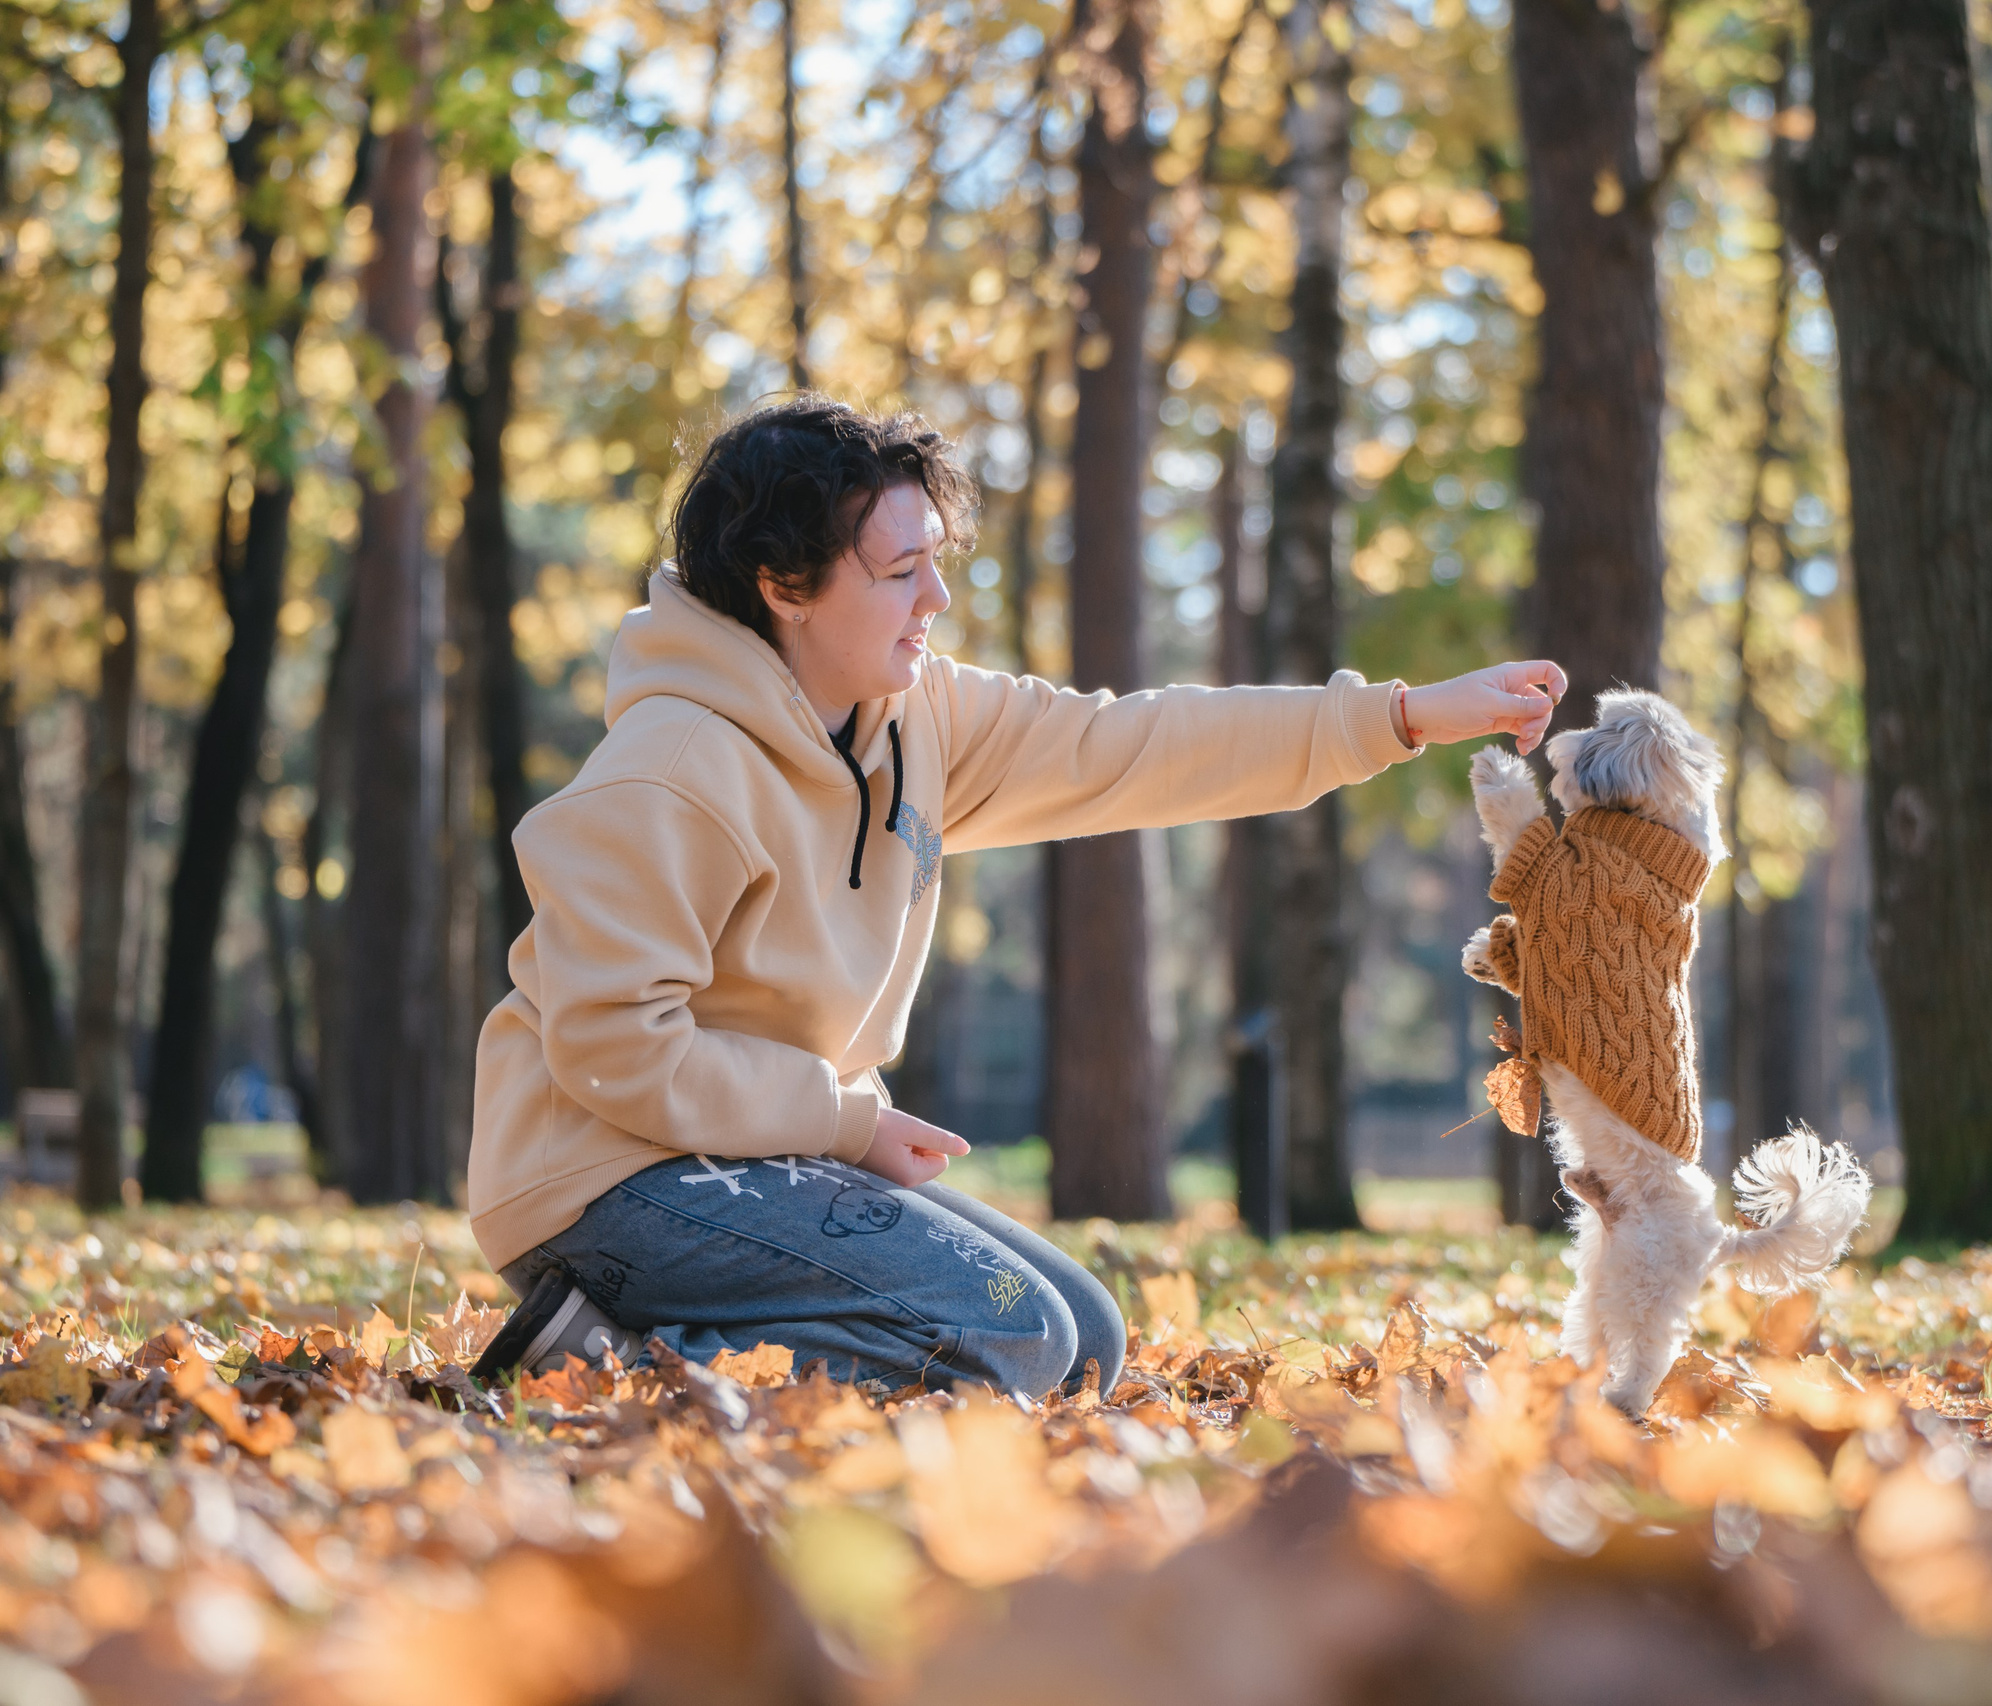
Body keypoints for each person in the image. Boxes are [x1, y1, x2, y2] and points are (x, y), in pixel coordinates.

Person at [468, 395, 1564, 1400]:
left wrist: (1404, 715)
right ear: (783, 584)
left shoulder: (913, 718)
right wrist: (847, 1118)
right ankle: (591, 1362)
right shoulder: (672, 768)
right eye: (900, 571)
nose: (936, 599)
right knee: (1011, 1336)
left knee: (1082, 1335)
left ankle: (644, 1347)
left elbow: (1133, 743)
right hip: (602, 1176)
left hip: (753, 1149)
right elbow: (616, 1048)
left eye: (935, 564)